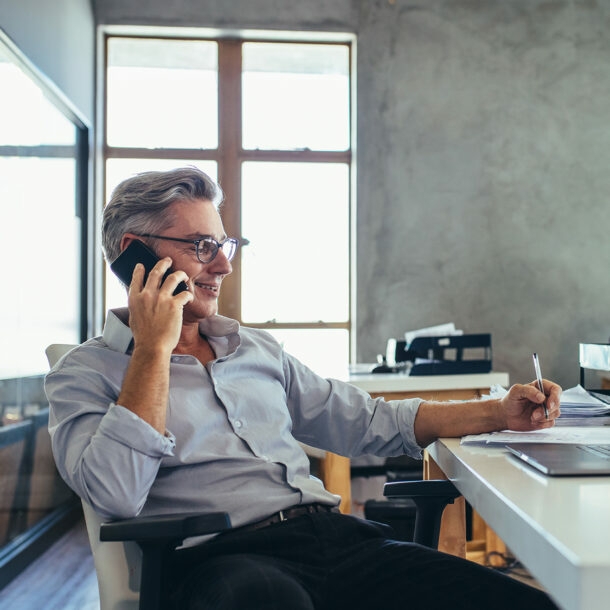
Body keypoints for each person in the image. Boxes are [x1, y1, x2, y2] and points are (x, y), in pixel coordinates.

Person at [45, 166, 562, 610]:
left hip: (337, 541)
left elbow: (373, 422)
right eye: (202, 247)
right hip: (223, 562)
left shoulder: (255, 350)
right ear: (134, 255)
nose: (223, 265)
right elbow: (115, 492)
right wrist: (154, 350)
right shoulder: (84, 373)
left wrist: (500, 412)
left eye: (224, 245)